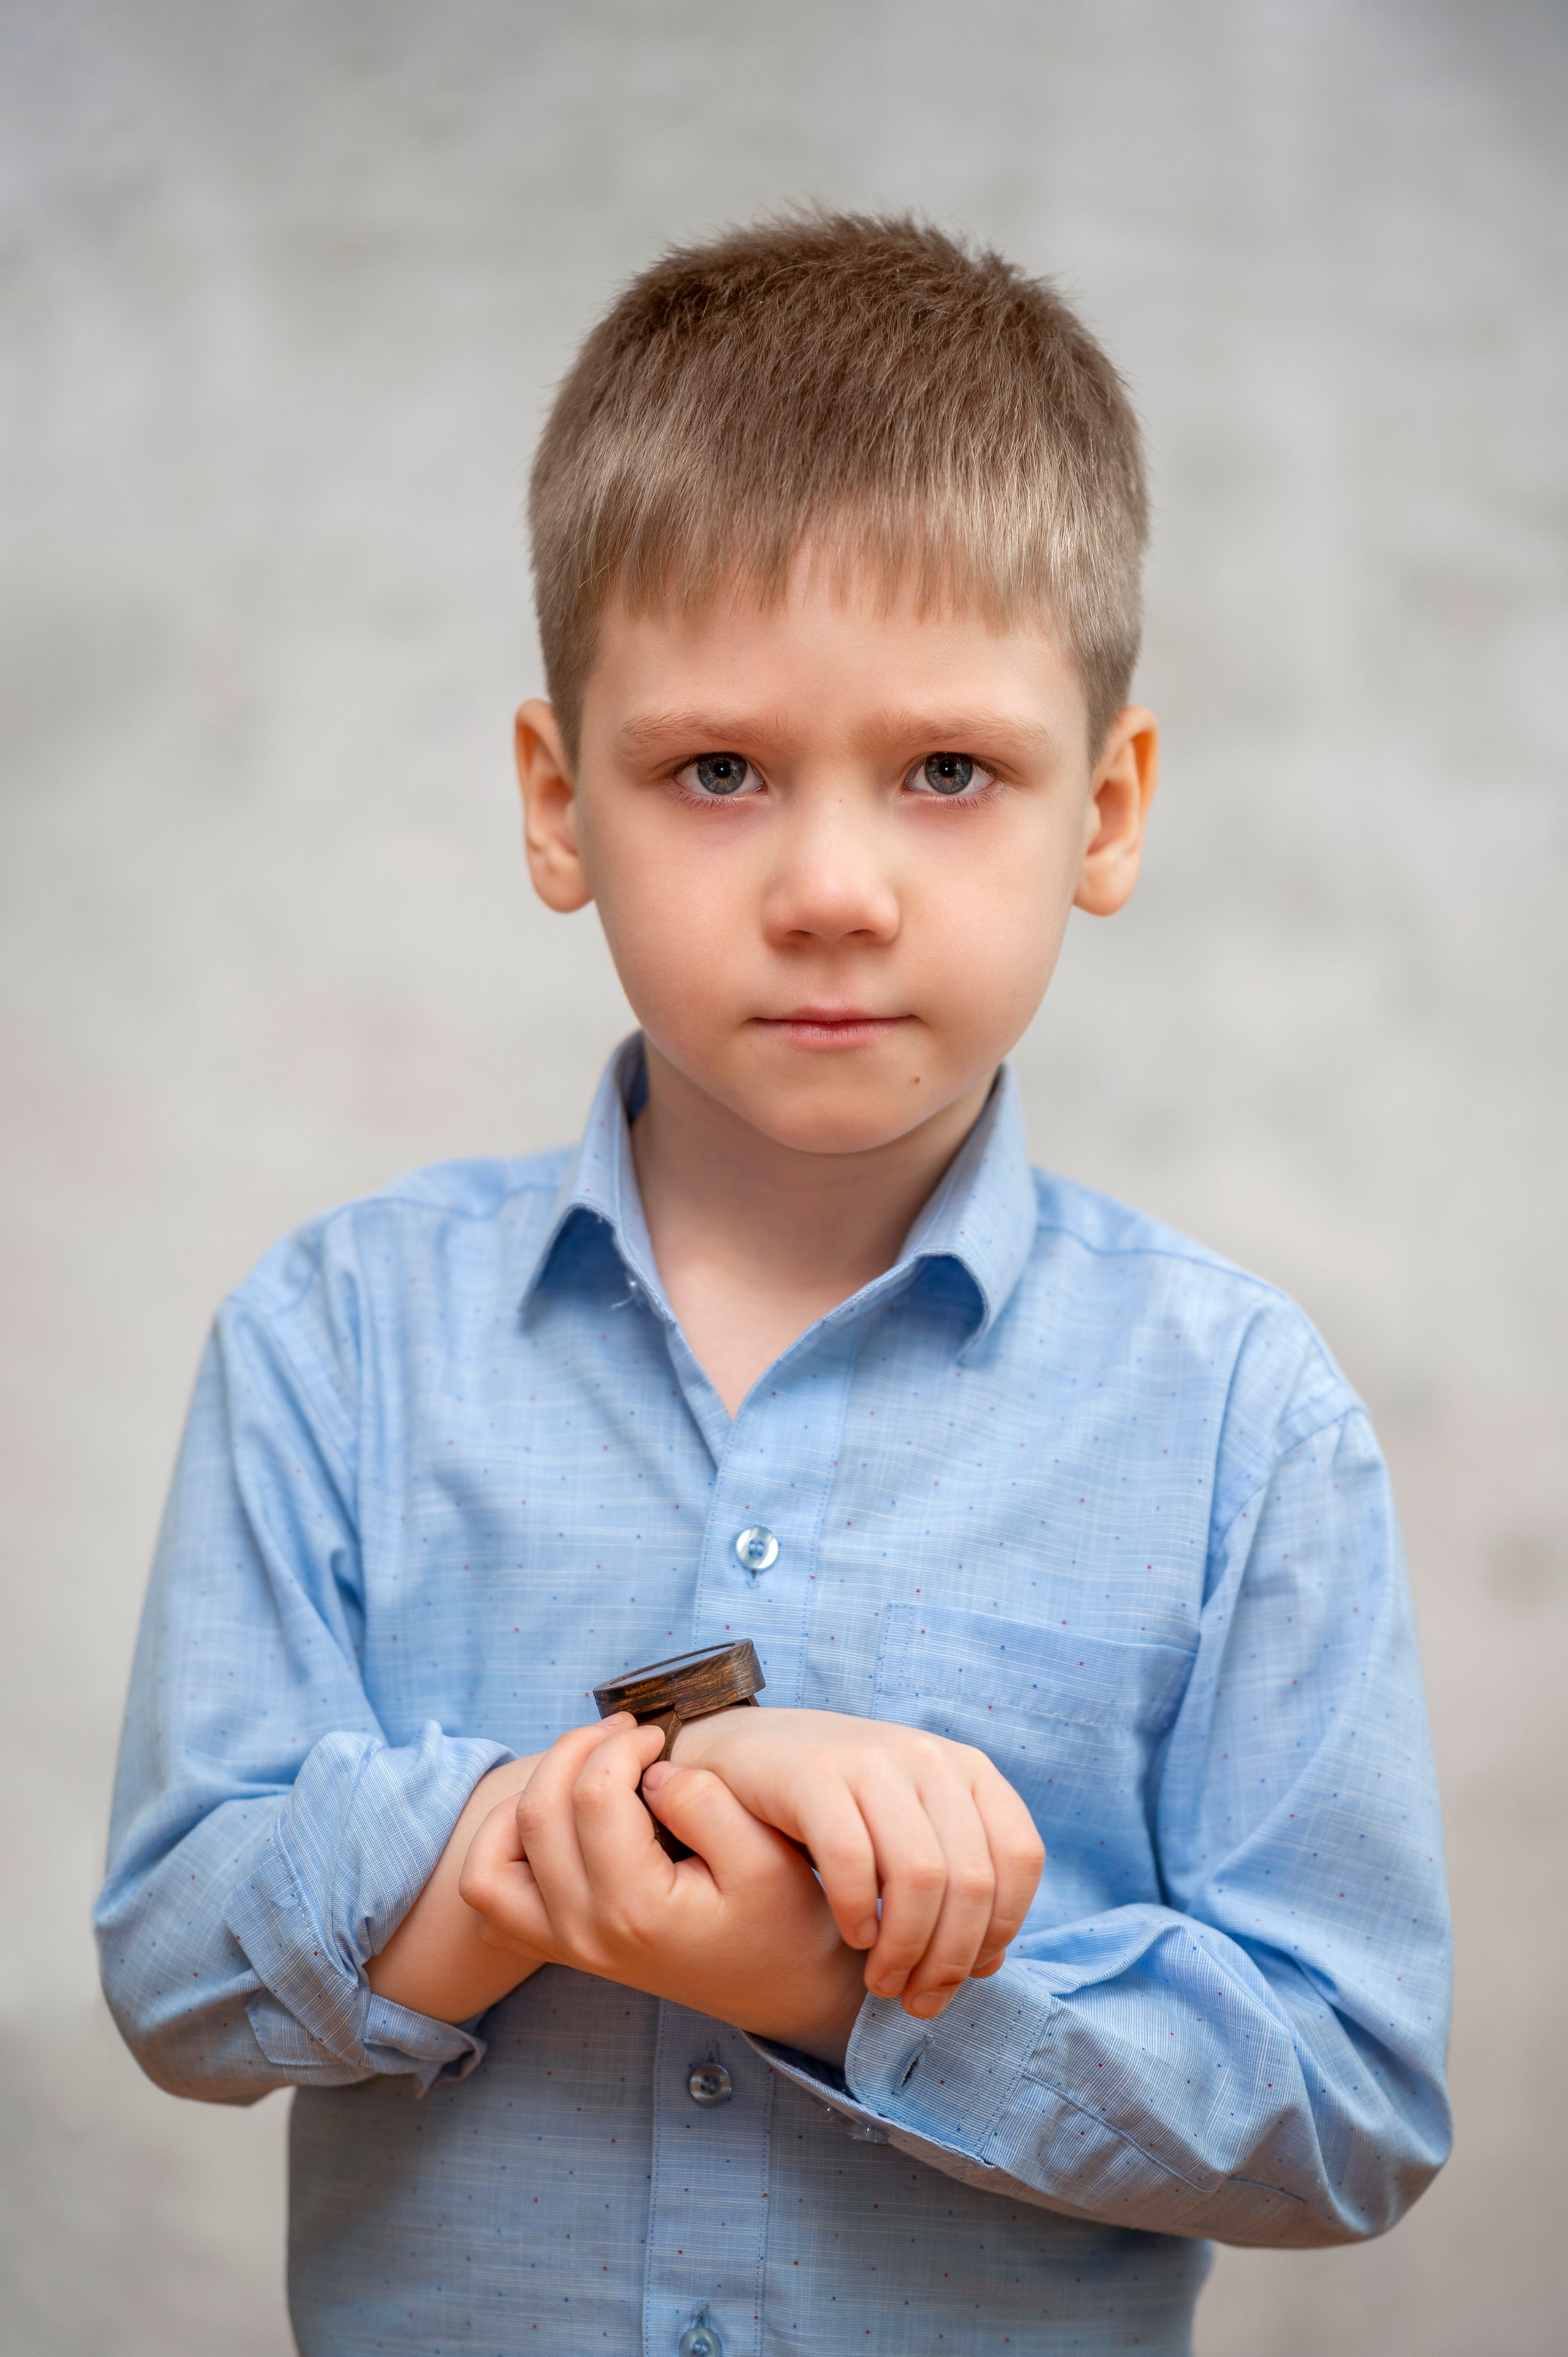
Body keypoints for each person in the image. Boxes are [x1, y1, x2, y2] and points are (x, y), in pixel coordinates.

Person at [94, 214, 1452, 2357]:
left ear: (1108, 810)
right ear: (562, 806)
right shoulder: (334, 1340)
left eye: (949, 772)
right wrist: (550, 1842)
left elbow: (1349, 2103)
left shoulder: (1238, 1418)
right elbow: (178, 1960)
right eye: (716, 771)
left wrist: (840, 1985)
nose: (831, 889)